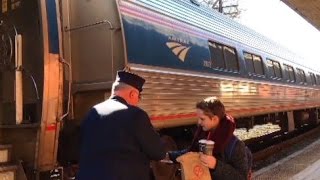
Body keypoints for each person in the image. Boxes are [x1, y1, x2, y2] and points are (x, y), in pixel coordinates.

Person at [78, 70, 166, 180]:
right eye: (139, 97)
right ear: (133, 94)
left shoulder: (92, 112)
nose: (138, 101)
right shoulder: (136, 115)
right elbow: (158, 152)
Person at [166, 97, 249, 180]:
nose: (198, 122)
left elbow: (241, 177)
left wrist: (216, 165)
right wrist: (169, 156)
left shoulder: (235, 145)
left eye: (202, 119)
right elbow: (191, 152)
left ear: (215, 119)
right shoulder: (203, 136)